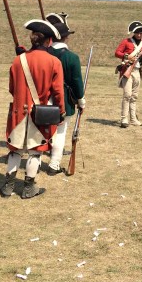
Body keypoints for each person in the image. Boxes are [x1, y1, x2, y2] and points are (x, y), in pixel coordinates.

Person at [1, 19, 65, 199]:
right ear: (49, 41)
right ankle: (28, 188)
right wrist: (60, 111)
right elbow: (58, 91)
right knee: (36, 151)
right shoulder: (54, 62)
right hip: (40, 113)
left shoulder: (17, 60)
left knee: (15, 150)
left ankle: (8, 187)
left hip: (18, 112)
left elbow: (12, 89)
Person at [44, 13, 86, 176]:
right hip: (64, 102)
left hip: (43, 99)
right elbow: (76, 81)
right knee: (60, 133)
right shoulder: (72, 57)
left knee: (43, 131)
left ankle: (37, 159)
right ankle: (54, 165)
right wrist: (81, 100)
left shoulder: (43, 53)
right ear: (66, 38)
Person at [115, 21, 142, 128]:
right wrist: (127, 56)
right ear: (134, 32)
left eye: (141, 33)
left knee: (134, 96)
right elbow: (117, 53)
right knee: (127, 95)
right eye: (137, 32)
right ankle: (124, 119)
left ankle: (133, 119)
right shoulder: (126, 42)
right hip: (127, 70)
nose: (139, 34)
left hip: (137, 72)